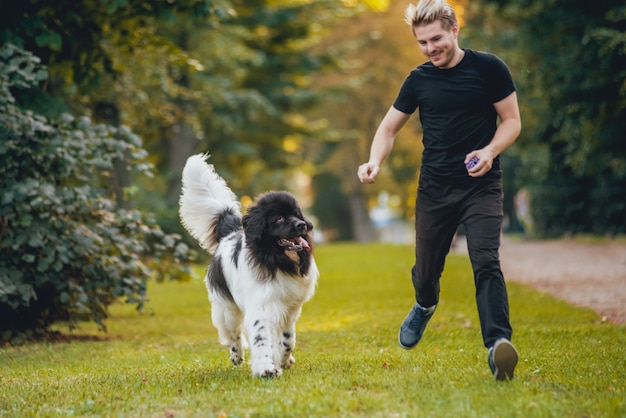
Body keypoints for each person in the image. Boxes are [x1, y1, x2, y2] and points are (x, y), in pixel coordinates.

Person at [357, 0, 522, 381]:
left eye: (436, 39)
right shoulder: (419, 80)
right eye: (422, 42)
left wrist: (490, 150)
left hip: (481, 185)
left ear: (454, 30)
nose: (431, 49)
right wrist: (375, 162)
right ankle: (424, 305)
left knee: (486, 260)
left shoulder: (488, 68)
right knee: (427, 271)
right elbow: (387, 129)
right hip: (434, 189)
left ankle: (498, 346)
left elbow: (511, 121)